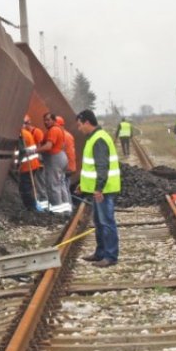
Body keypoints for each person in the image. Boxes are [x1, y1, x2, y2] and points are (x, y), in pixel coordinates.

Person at [75, 110, 121, 268]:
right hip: (100, 189)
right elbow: (91, 167)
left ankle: (110, 256)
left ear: (87, 122)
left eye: (80, 125)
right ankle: (101, 253)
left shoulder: (99, 139)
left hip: (105, 190)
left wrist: (99, 188)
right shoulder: (93, 138)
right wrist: (84, 184)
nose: (79, 129)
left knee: (106, 222)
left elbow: (102, 166)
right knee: (99, 222)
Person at [36, 113, 72, 215]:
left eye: (48, 120)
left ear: (54, 120)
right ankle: (66, 211)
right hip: (61, 158)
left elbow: (48, 146)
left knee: (53, 186)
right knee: (60, 185)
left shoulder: (53, 130)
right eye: (44, 120)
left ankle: (58, 212)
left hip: (55, 159)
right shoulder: (57, 130)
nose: (45, 122)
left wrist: (35, 151)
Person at [14, 125, 45, 211]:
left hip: (27, 165)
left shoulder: (21, 136)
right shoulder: (26, 133)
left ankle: (31, 207)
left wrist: (17, 166)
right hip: (32, 164)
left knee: (25, 187)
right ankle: (31, 205)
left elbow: (21, 152)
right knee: (28, 186)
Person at [22, 115, 48, 211]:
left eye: (26, 123)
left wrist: (40, 160)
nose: (25, 125)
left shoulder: (37, 132)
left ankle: (44, 206)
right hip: (31, 161)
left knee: (40, 184)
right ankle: (38, 203)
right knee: (35, 185)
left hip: (38, 161)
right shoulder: (25, 133)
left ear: (29, 123)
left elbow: (42, 147)